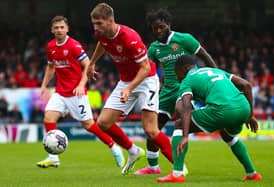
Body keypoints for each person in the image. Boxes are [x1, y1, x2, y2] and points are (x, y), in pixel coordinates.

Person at [88, 3, 173, 174]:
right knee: (103, 123)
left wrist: (129, 89)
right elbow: (102, 43)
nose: (96, 28)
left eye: (99, 24)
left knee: (150, 130)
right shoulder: (102, 34)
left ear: (110, 20)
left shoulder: (129, 37)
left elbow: (146, 68)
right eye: (94, 24)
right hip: (126, 81)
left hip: (146, 80)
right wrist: (92, 62)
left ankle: (179, 167)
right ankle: (133, 151)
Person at [134, 8, 217, 175]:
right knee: (153, 129)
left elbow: (204, 55)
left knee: (182, 119)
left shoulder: (184, 39)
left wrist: (217, 73)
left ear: (168, 24)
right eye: (155, 28)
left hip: (185, 88)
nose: (158, 31)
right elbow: (147, 71)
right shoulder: (154, 49)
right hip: (166, 92)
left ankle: (179, 167)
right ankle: (153, 167)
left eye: (161, 27)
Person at [157, 55, 262, 182]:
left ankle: (177, 174)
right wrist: (251, 115)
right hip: (243, 108)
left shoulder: (188, 79)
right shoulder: (215, 70)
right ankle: (252, 174)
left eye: (176, 73)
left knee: (179, 124)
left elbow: (185, 107)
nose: (177, 77)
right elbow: (246, 85)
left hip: (222, 110)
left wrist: (185, 135)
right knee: (228, 135)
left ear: (183, 69)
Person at [36, 15, 124, 168]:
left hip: (77, 94)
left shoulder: (74, 45)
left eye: (62, 27)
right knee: (48, 118)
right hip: (60, 92)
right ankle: (53, 157)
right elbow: (51, 67)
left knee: (89, 125)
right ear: (52, 30)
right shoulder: (50, 46)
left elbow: (88, 64)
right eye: (56, 28)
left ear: (67, 29)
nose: (59, 30)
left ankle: (114, 147)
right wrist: (44, 85)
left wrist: (81, 84)